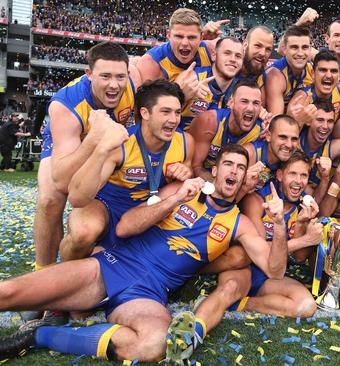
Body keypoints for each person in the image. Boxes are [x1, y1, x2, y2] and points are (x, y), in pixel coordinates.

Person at [0, 144, 288, 363]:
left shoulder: (240, 224)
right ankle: (66, 310)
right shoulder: (181, 190)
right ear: (215, 170)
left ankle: (39, 336)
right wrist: (176, 198)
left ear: (244, 177)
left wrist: (278, 225)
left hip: (149, 293)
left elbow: (274, 270)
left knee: (154, 343)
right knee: (9, 292)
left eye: (240, 167)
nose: (234, 171)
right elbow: (125, 227)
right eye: (228, 164)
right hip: (113, 266)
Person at [34, 42, 140, 279]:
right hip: (72, 141)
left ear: (129, 74)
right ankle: (43, 273)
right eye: (105, 77)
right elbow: (62, 180)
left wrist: (204, 40)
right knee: (50, 198)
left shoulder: (137, 79)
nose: (114, 85)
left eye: (120, 77)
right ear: (89, 74)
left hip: (106, 142)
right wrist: (93, 140)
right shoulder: (66, 104)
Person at [60, 80, 194, 262]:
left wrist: (185, 172)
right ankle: (61, 277)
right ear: (145, 113)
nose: (174, 119)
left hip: (147, 209)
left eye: (177, 112)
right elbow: (77, 198)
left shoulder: (185, 142)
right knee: (83, 232)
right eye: (165, 112)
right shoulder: (121, 142)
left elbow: (187, 174)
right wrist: (101, 150)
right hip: (107, 206)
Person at [236, 150, 323, 316]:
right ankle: (232, 297)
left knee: (306, 306)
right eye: (293, 174)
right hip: (244, 269)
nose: (298, 181)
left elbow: (298, 258)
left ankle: (240, 304)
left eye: (304, 175)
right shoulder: (256, 200)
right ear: (280, 175)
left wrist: (301, 223)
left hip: (271, 276)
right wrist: (306, 240)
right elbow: (262, 252)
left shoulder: (303, 205)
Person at [189, 79, 264, 181]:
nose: (250, 108)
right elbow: (195, 167)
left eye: (256, 103)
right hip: (203, 181)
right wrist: (215, 185)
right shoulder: (209, 121)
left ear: (261, 108)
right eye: (244, 101)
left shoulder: (261, 134)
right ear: (231, 103)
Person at [288, 49, 340, 123]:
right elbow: (288, 131)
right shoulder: (301, 100)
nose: (329, 75)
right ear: (313, 74)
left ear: (339, 76)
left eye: (333, 71)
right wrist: (301, 121)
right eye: (323, 70)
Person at [265, 26, 314, 116]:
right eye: (294, 47)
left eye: (305, 47)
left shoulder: (311, 69)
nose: (300, 53)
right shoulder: (275, 76)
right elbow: (277, 122)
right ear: (284, 49)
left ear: (310, 49)